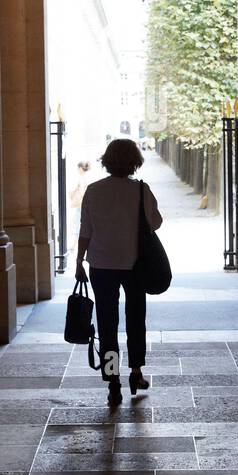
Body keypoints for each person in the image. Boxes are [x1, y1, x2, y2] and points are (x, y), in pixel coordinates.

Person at [75, 137, 163, 407]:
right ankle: (136, 372)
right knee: (136, 319)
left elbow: (85, 231)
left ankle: (113, 382)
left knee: (107, 324)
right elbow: (156, 223)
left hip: (101, 265)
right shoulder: (140, 190)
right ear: (135, 162)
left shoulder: (93, 190)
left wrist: (79, 261)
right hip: (134, 264)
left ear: (107, 160)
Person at [68, 160, 91, 250]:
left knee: (77, 225)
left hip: (79, 204)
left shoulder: (81, 179)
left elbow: (81, 192)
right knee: (78, 224)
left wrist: (71, 194)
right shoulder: (85, 178)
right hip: (82, 204)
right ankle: (74, 245)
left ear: (81, 168)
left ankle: (74, 245)